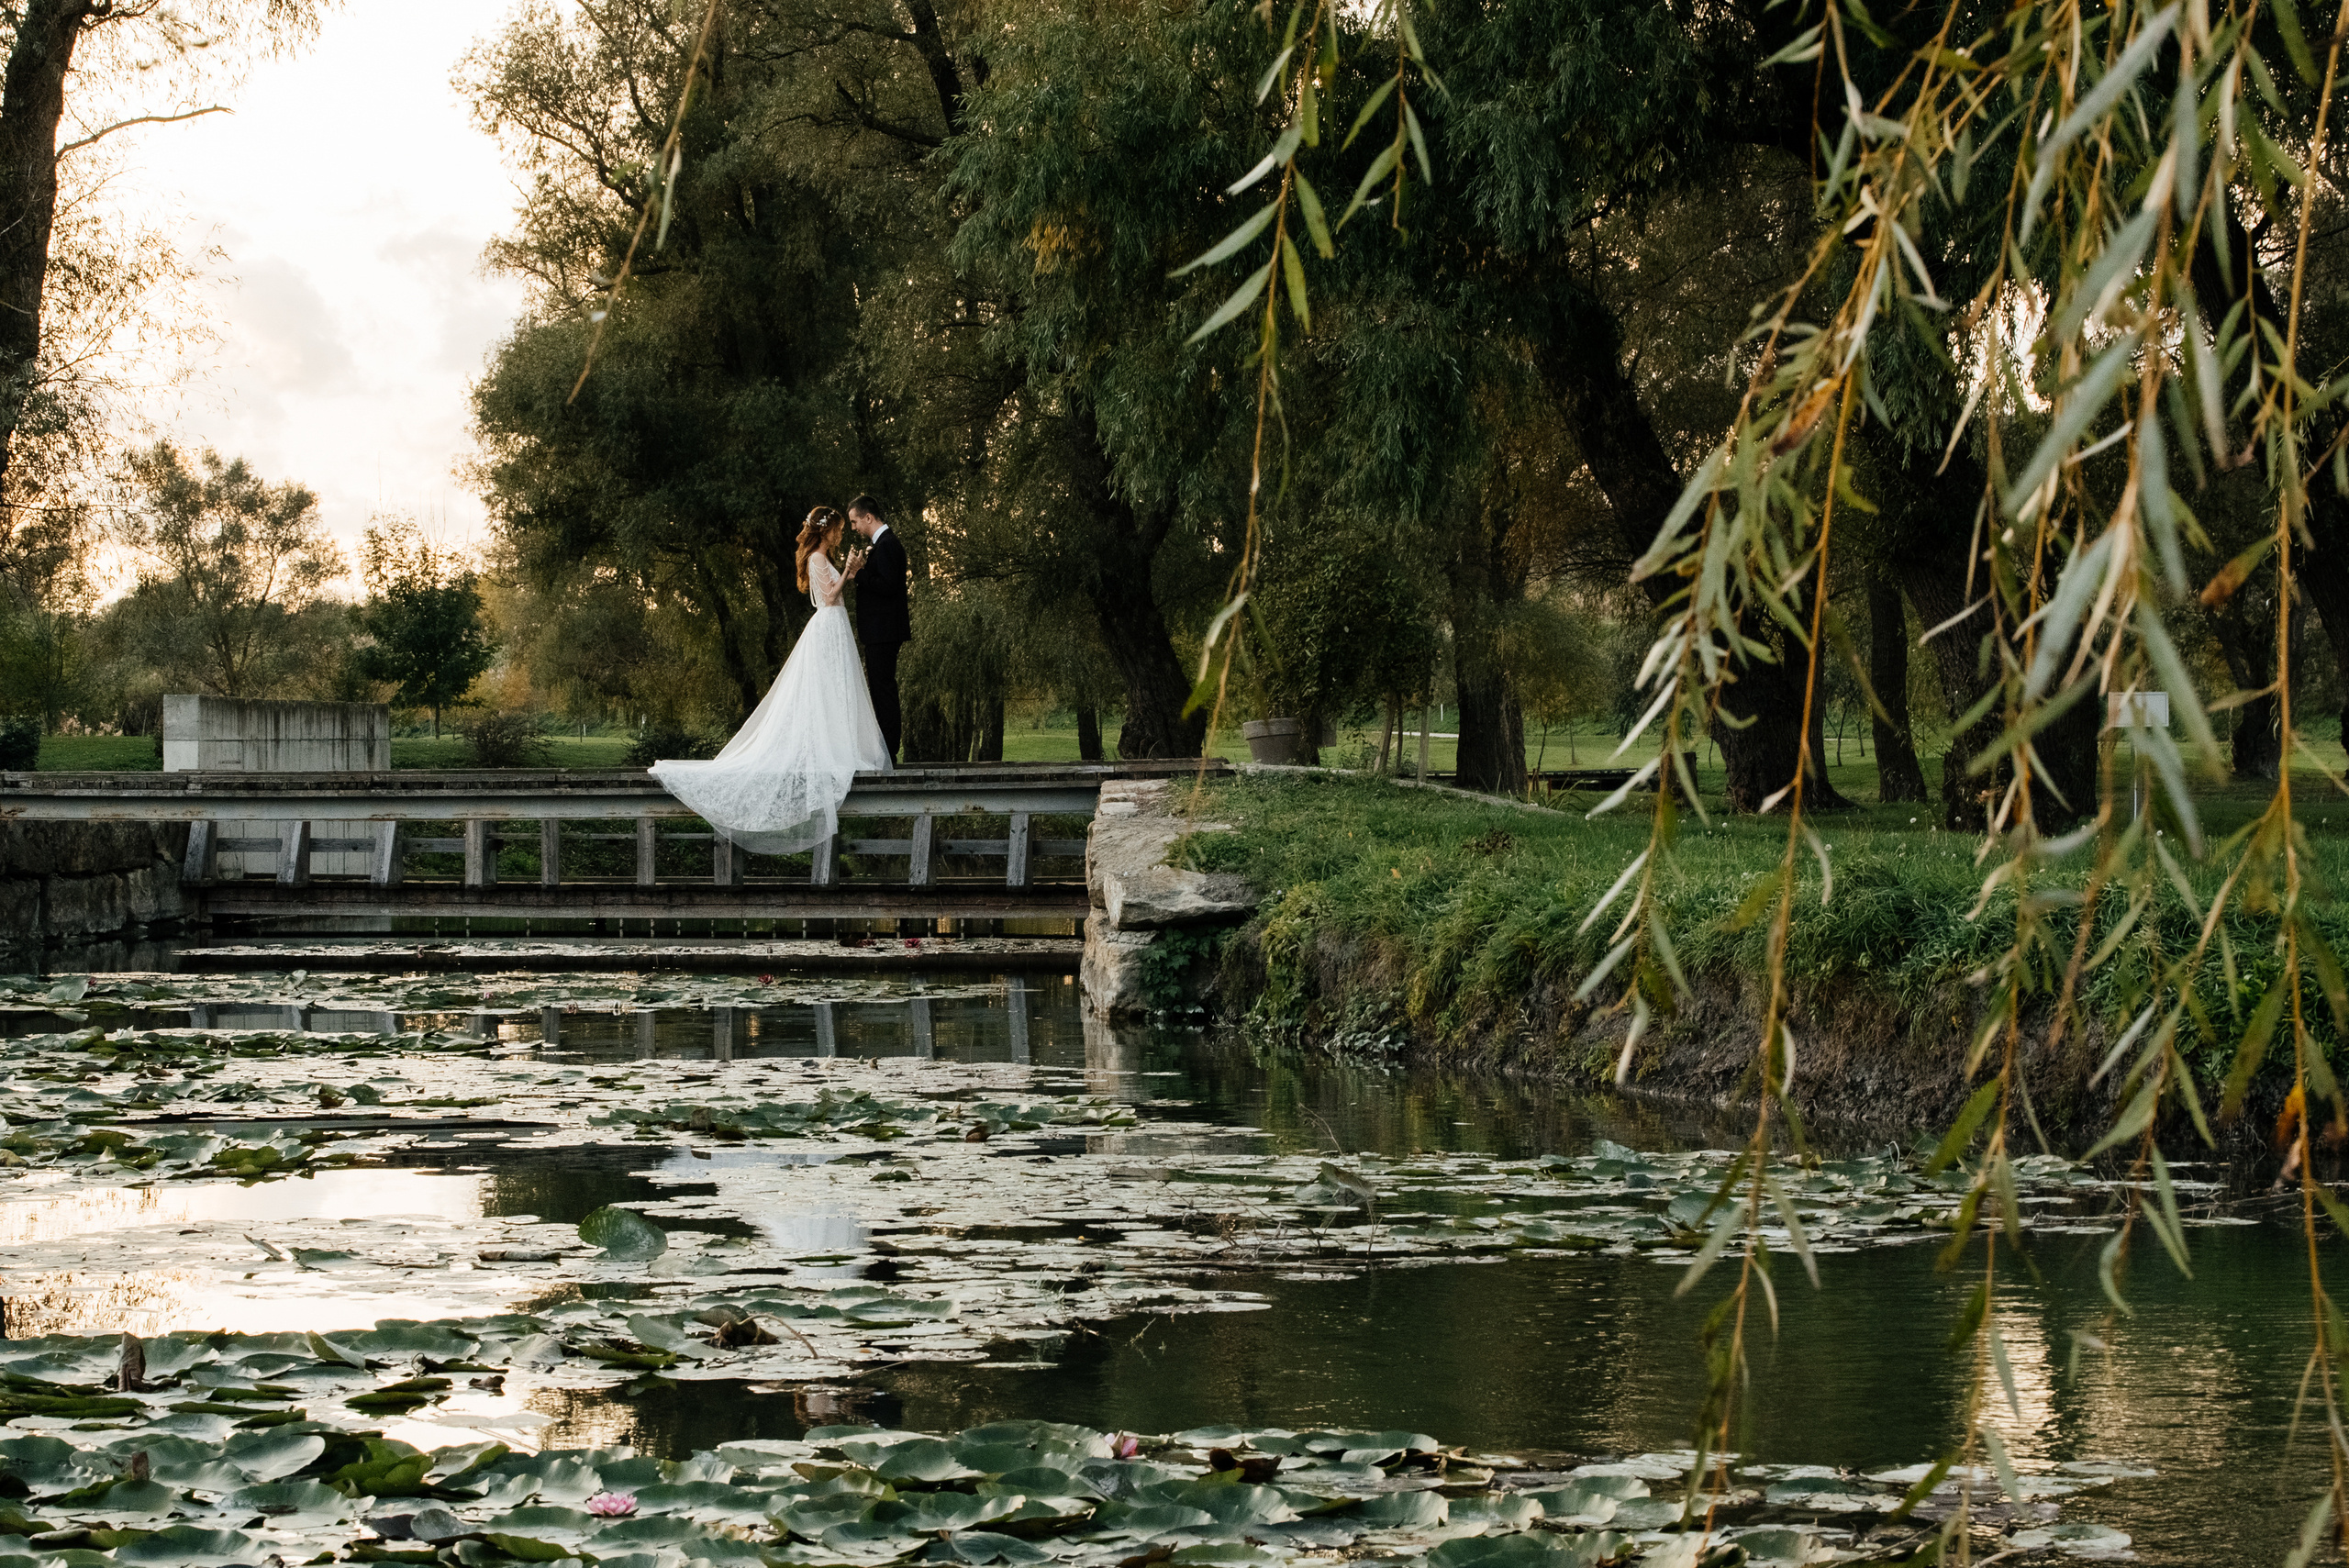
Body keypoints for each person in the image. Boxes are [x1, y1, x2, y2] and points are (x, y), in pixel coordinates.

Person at [649, 506, 891, 854]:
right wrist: (849, 572)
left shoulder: (823, 558)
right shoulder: (818, 560)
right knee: (824, 691)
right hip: (828, 628)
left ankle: (840, 746)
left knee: (835, 691)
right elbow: (828, 597)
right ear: (825, 532)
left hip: (835, 629)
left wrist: (852, 571)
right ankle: (828, 750)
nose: (841, 534)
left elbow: (835, 590)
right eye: (838, 529)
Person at [845, 493, 907, 761]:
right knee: (881, 689)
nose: (854, 528)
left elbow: (888, 586)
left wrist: (859, 574)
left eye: (855, 521)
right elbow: (882, 581)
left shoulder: (889, 545)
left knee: (883, 690)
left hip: (883, 631)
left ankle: (889, 752)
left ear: (868, 517)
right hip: (879, 631)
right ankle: (886, 750)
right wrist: (864, 570)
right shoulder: (881, 545)